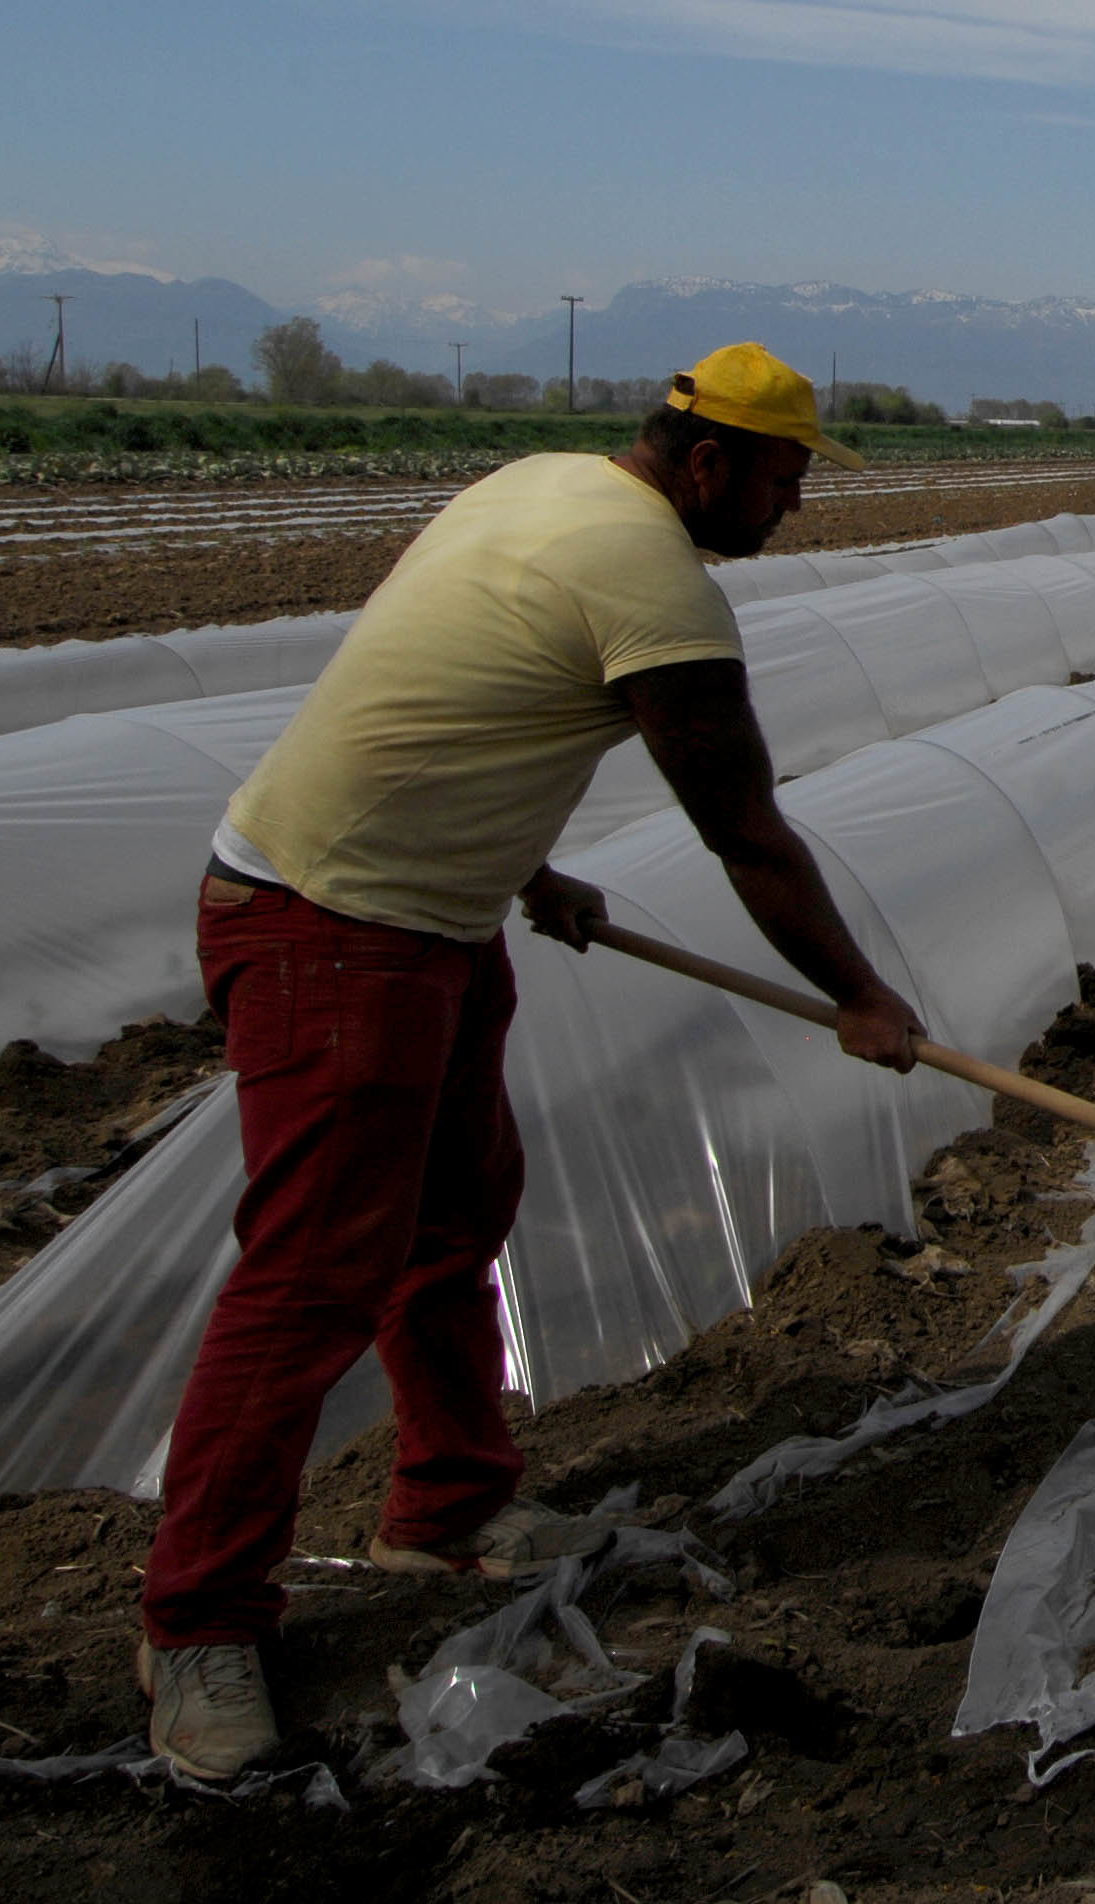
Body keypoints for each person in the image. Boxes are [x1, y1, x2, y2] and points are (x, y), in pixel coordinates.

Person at [136, 343, 932, 1782]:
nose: (796, 504)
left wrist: (526, 863)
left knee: (452, 1216)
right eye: (785, 475)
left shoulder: (545, 485)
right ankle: (195, 1624)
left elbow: (453, 688)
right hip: (336, 921)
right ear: (708, 466)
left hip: (423, 907)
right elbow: (745, 829)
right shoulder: (657, 583)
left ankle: (442, 1505)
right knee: (312, 1276)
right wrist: (861, 995)